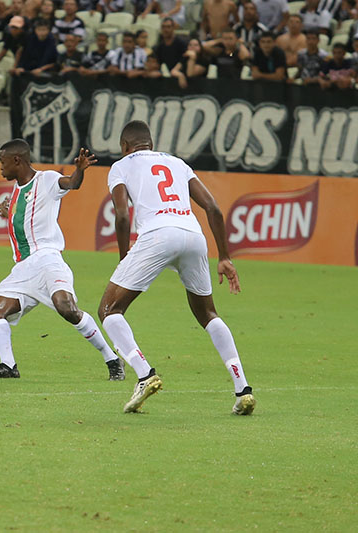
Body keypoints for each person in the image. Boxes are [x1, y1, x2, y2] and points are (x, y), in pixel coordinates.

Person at [98, 120, 255, 415]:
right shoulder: (178, 163)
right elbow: (213, 208)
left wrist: (123, 257)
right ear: (151, 144)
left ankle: (144, 375)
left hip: (157, 236)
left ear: (125, 146)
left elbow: (122, 215)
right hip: (193, 236)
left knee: (109, 310)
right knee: (208, 314)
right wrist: (224, 256)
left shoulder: (121, 166)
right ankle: (243, 390)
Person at [0, 140, 125, 381]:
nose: (0, 167)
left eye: (2, 162)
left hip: (47, 260)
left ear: (17, 160)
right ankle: (8, 366)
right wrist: (9, 213)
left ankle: (112, 359)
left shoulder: (46, 180)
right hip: (23, 269)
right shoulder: (17, 191)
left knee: (67, 308)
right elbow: (27, 219)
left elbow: (71, 183)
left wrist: (79, 170)